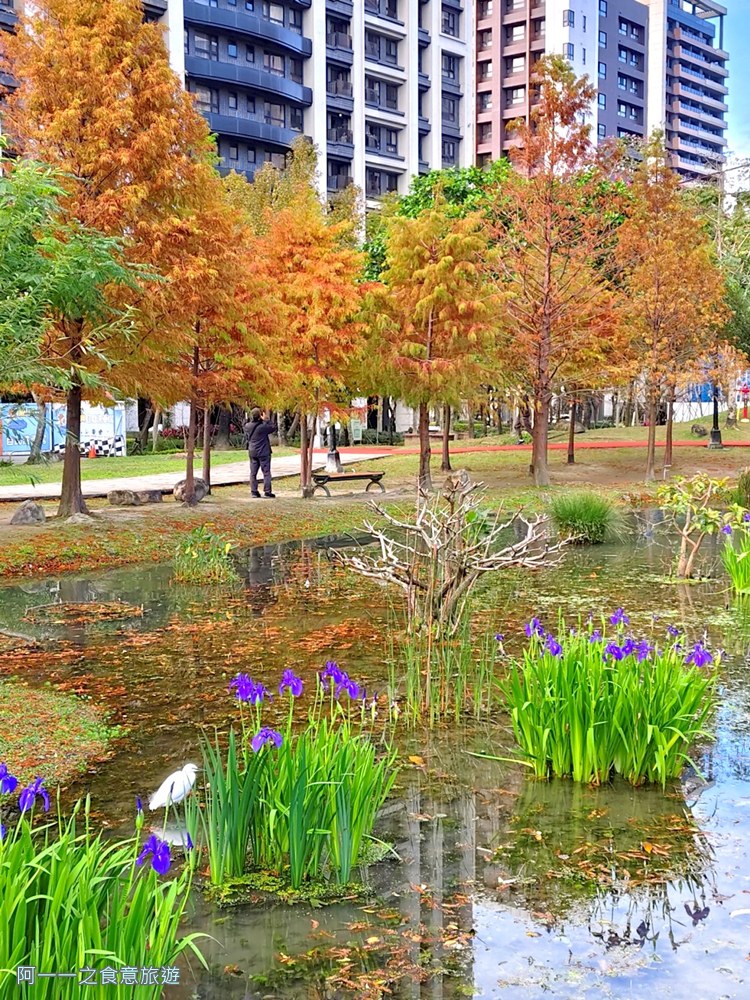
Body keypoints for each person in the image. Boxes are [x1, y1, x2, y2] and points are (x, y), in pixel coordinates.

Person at [243, 408, 276, 498]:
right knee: (266, 472)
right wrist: (266, 419)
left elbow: (244, 425)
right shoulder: (263, 426)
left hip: (252, 452)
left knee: (253, 473)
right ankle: (267, 491)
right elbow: (273, 428)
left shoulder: (248, 426)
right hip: (264, 452)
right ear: (260, 416)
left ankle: (254, 491)